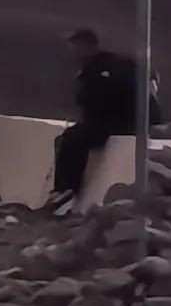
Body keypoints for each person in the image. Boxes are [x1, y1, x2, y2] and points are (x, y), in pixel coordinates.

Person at [44, 26, 145, 214]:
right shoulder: (103, 65)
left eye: (75, 46)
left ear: (87, 46)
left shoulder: (99, 68)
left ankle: (66, 191)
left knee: (72, 140)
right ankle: (64, 191)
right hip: (119, 120)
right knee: (69, 138)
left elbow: (98, 100)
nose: (73, 52)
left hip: (117, 123)